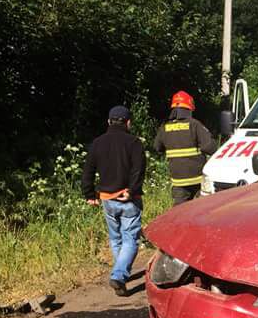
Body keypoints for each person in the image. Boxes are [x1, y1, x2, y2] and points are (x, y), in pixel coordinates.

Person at [82, 105, 146, 296]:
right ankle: (119, 275)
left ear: (109, 122)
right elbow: (138, 169)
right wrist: (132, 190)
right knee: (131, 239)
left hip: (107, 199)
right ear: (128, 123)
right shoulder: (134, 142)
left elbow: (88, 171)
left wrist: (89, 194)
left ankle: (120, 273)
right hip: (128, 198)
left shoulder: (97, 143)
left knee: (116, 238)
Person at [155, 91, 217, 205]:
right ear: (189, 108)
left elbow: (157, 148)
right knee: (201, 209)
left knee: (180, 212)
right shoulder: (194, 124)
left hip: (178, 180)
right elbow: (210, 147)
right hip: (197, 178)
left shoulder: (164, 127)